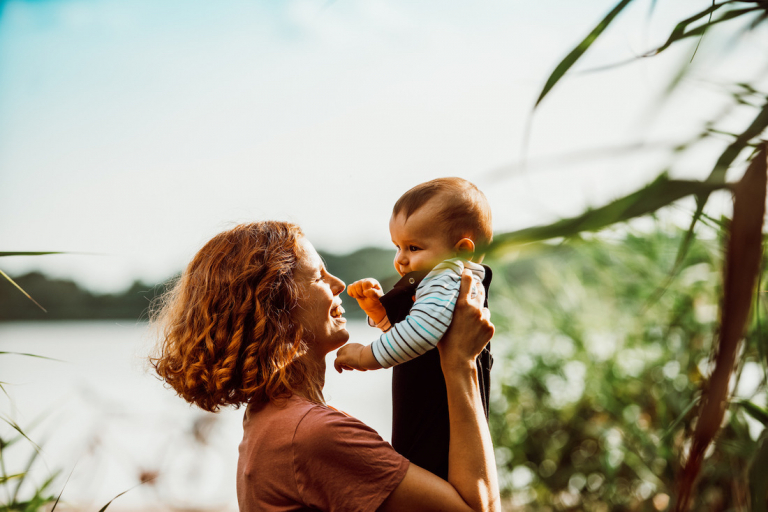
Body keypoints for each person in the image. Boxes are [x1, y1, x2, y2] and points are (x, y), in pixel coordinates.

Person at [150, 221, 500, 512]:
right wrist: (461, 363)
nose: (340, 285)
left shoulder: (273, 418)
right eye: (319, 277)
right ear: (277, 308)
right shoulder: (312, 435)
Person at [334, 177, 493, 479]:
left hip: (438, 427)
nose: (401, 259)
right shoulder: (441, 282)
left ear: (460, 251)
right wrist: (381, 315)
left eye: (414, 247)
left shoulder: (447, 276)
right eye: (397, 246)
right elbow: (419, 333)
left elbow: (421, 334)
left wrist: (365, 357)